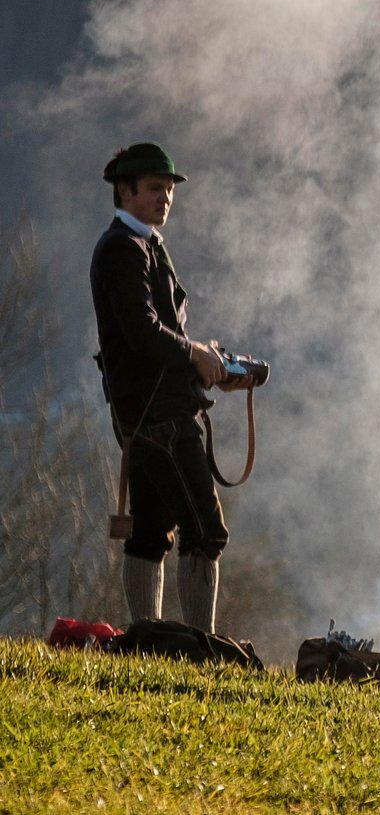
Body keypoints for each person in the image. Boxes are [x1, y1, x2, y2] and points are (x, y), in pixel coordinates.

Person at [90, 142, 251, 631]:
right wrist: (194, 354)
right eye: (155, 188)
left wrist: (204, 359)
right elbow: (139, 329)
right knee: (205, 530)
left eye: (169, 188)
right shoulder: (124, 247)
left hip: (149, 412)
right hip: (157, 415)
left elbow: (154, 332)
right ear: (126, 191)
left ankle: (148, 642)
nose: (165, 197)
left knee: (150, 533)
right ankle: (200, 647)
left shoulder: (143, 244)